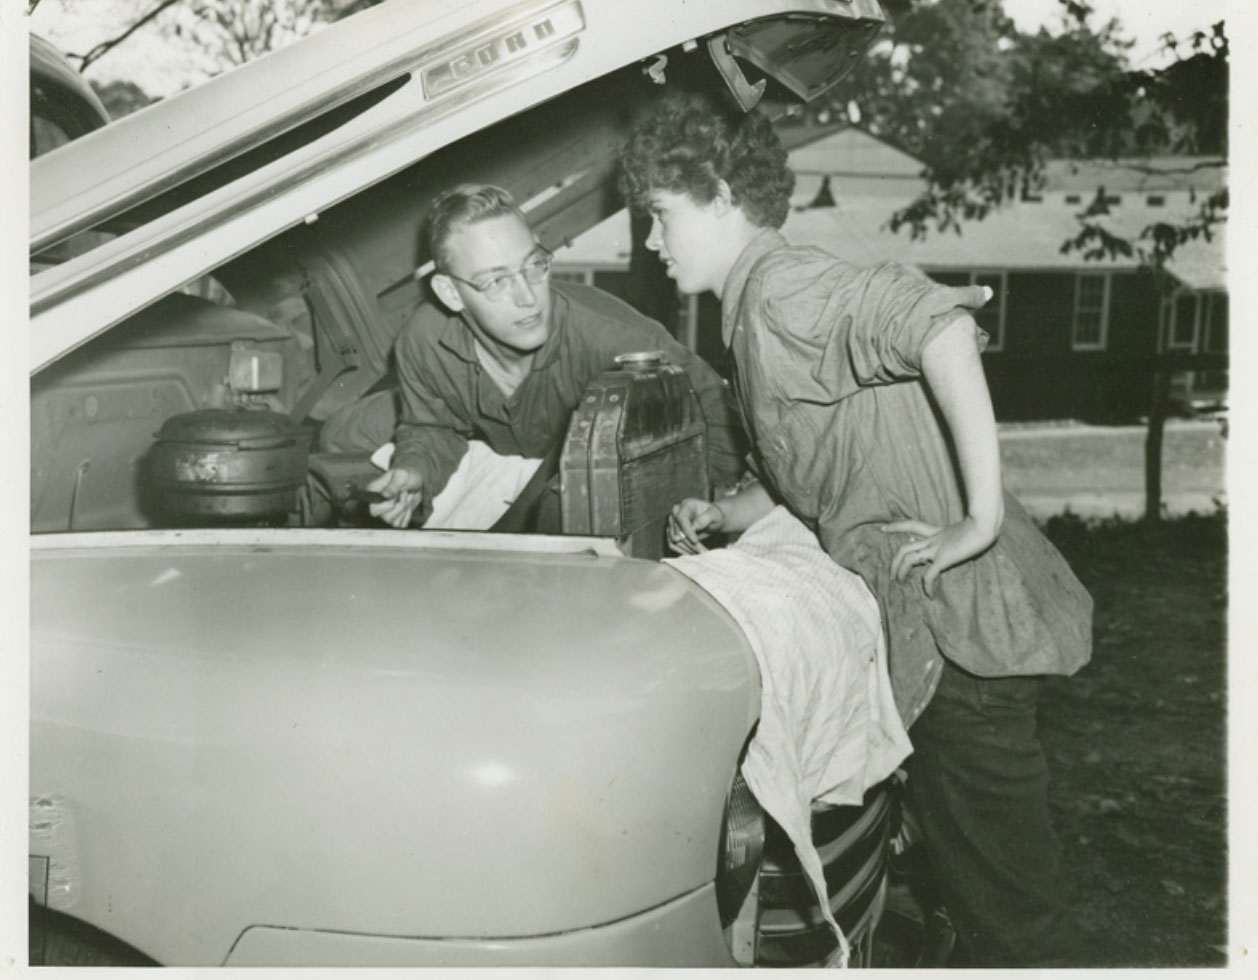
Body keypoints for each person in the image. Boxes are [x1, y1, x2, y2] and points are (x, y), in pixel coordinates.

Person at [619, 91, 1093, 967]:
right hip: (932, 634)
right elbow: (815, 456)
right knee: (963, 889)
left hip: (963, 635)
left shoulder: (782, 291)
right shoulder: (759, 300)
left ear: (721, 192)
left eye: (660, 215)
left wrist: (978, 519)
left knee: (1017, 923)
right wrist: (729, 511)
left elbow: (937, 326)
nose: (650, 242)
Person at [358, 183, 745, 528]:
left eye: (534, 265)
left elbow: (718, 413)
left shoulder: (615, 339)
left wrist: (703, 509)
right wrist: (413, 471)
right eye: (495, 281)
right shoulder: (424, 340)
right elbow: (432, 427)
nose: (527, 297)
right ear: (450, 293)